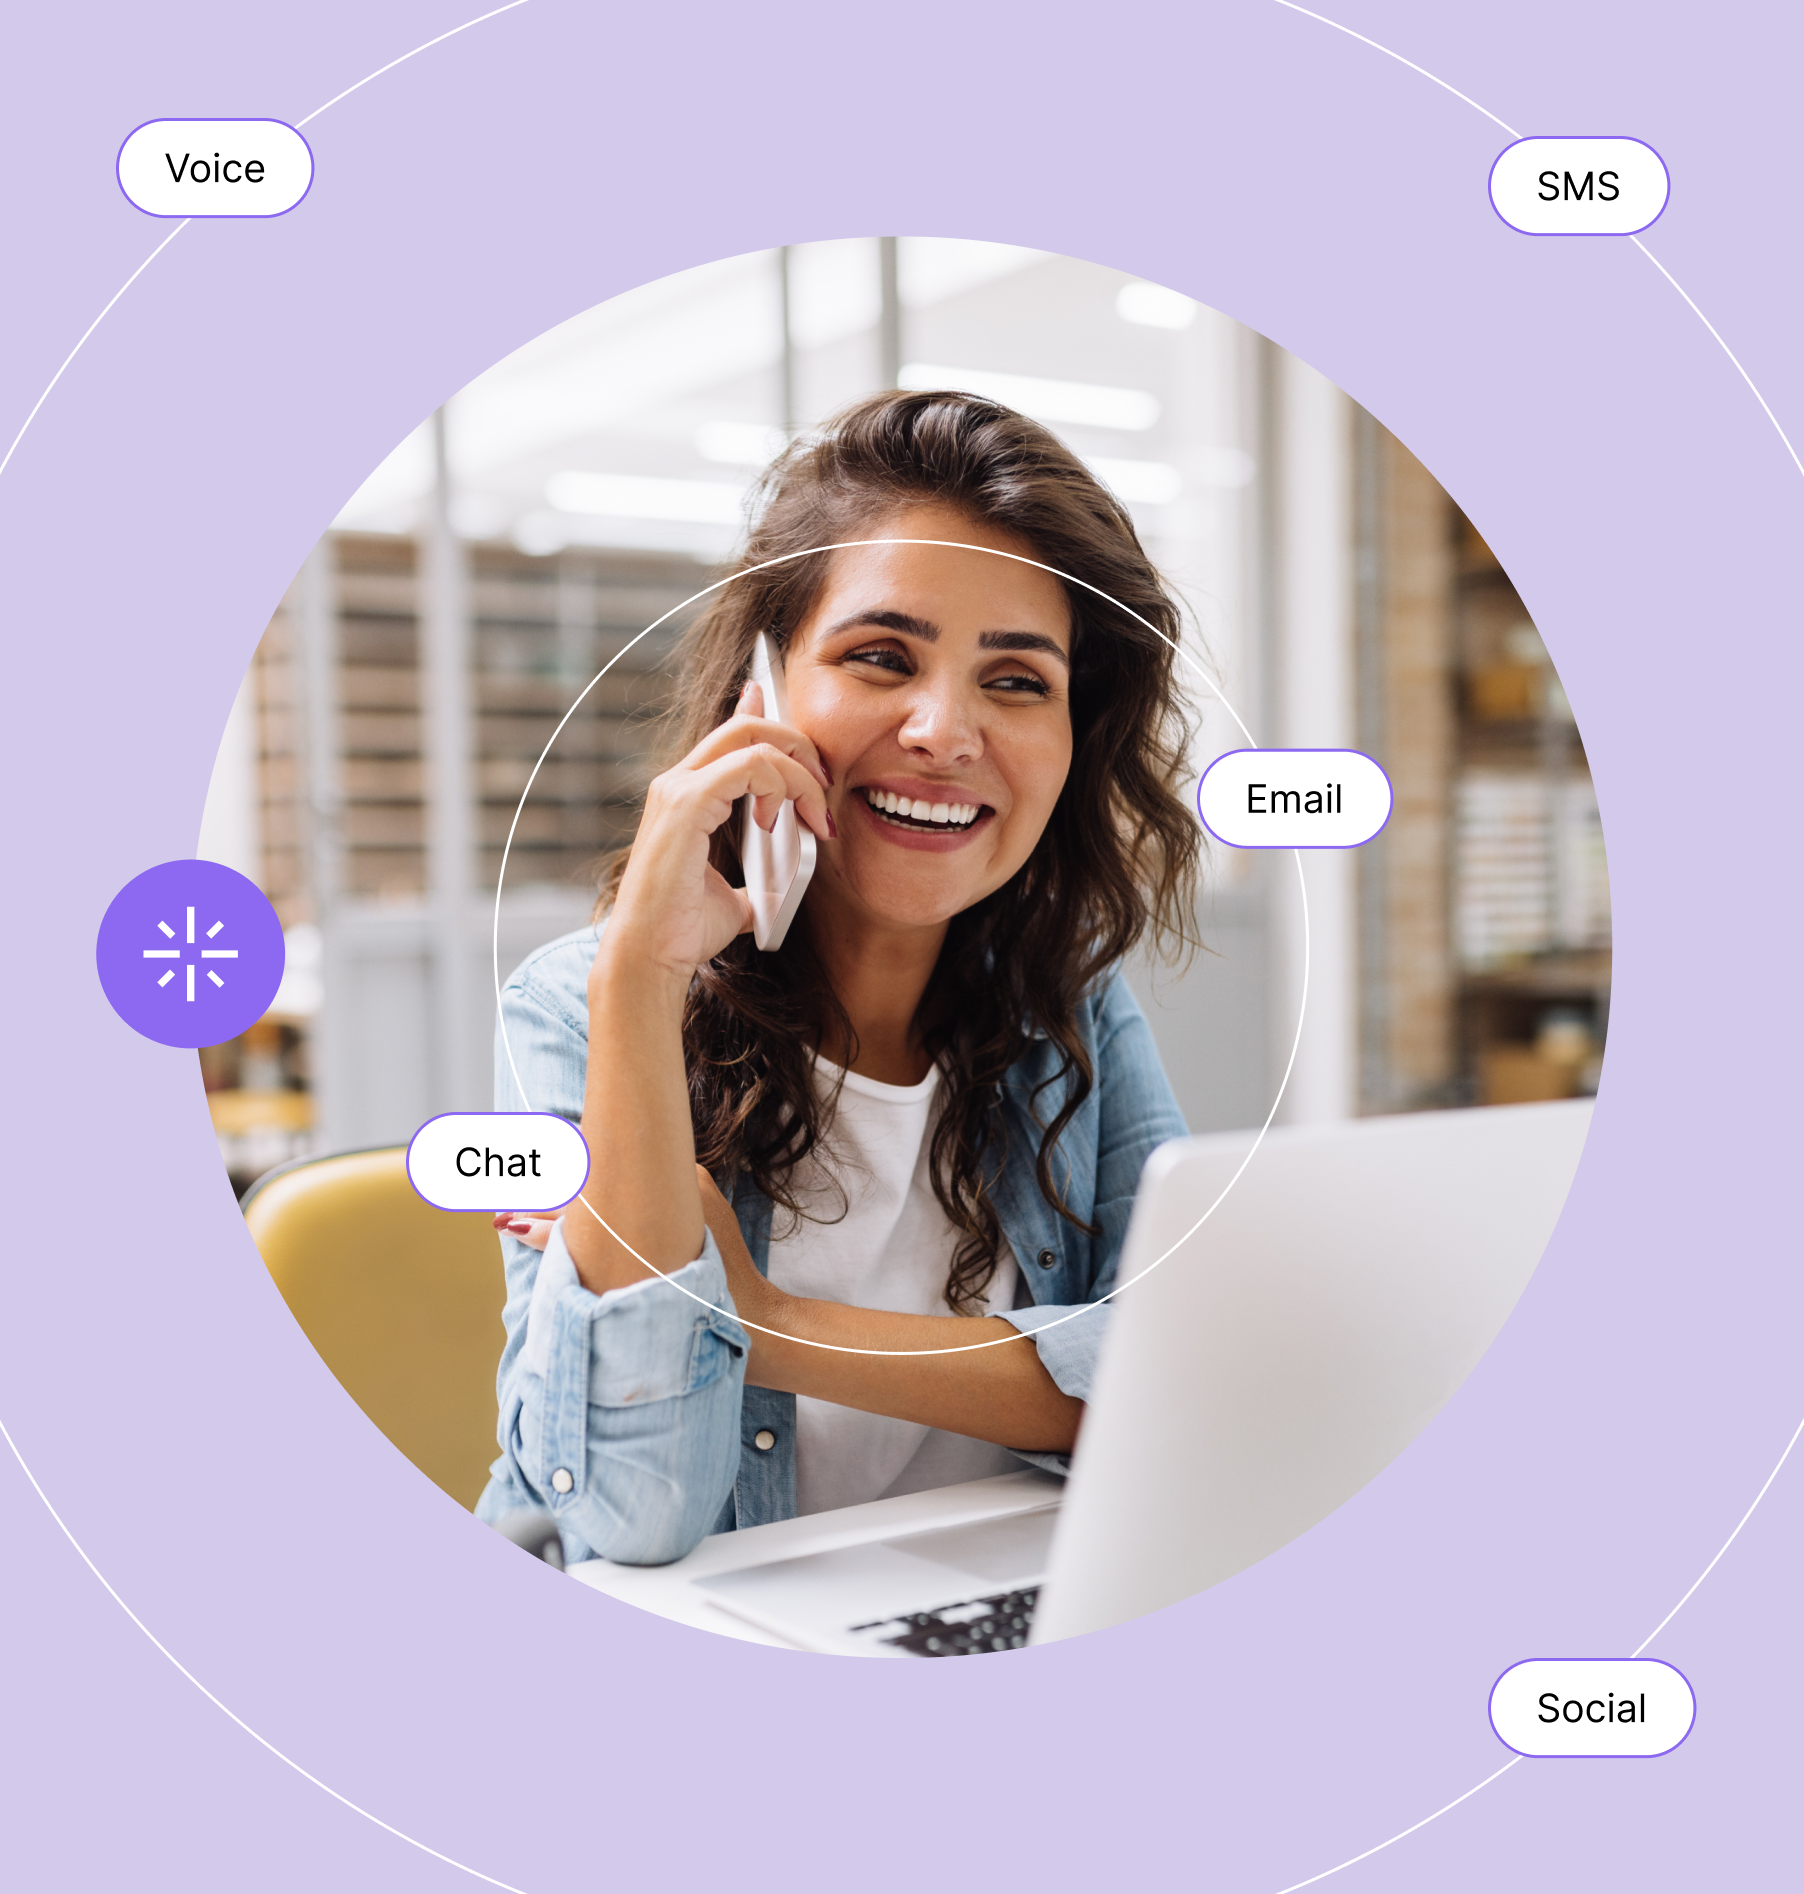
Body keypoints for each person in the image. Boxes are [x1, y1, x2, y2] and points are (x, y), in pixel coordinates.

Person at [475, 389, 1202, 1566]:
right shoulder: (583, 1004)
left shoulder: (1065, 1007)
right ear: (756, 697)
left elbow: (1174, 1383)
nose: (943, 730)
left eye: (1016, 681)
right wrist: (641, 976)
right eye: (880, 657)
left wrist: (762, 1323)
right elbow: (631, 1516)